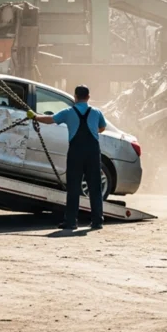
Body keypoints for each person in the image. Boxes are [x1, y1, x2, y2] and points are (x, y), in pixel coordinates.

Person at [27, 85, 107, 231]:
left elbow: (50, 119)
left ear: (75, 97)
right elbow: (102, 128)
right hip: (93, 153)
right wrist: (92, 130)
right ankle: (97, 222)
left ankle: (71, 222)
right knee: (94, 187)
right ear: (88, 97)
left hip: (76, 152)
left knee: (73, 187)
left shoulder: (69, 112)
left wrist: (35, 116)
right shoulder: (97, 112)